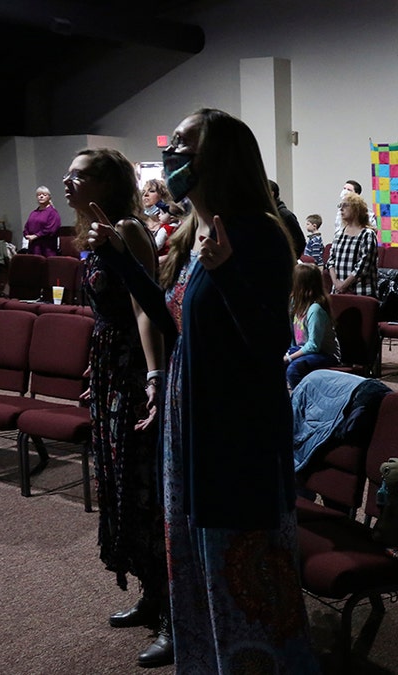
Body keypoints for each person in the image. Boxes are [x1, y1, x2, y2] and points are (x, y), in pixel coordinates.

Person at [88, 108, 318, 672]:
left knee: (241, 556)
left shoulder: (257, 233)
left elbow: (268, 343)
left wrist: (231, 272)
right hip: (194, 412)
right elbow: (175, 329)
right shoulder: (197, 233)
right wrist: (125, 266)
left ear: (220, 156)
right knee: (198, 552)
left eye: (187, 143)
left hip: (236, 424)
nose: (173, 153)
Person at [64, 148, 170, 668]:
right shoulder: (96, 232)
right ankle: (152, 593)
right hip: (109, 366)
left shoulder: (128, 229)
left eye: (78, 174)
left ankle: (174, 611)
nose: (66, 180)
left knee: (145, 485)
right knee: (121, 485)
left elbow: (144, 310)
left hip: (132, 368)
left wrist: (152, 376)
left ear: (104, 184)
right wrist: (93, 369)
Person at [285, 262, 341, 390]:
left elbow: (314, 346)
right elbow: (292, 338)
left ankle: (303, 399)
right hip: (304, 349)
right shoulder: (294, 304)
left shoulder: (315, 310)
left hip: (325, 354)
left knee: (293, 370)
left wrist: (289, 358)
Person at [327, 191, 379, 297]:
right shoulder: (339, 234)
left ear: (356, 209)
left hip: (361, 292)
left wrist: (344, 284)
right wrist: (336, 283)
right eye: (340, 206)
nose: (341, 209)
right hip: (338, 291)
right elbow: (331, 261)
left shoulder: (367, 234)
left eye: (345, 205)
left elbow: (363, 266)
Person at [270, 179, 306, 259]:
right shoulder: (270, 214)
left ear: (272, 194)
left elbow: (300, 241)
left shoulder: (285, 215)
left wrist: (289, 260)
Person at [23, 185, 61, 257]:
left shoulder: (53, 212)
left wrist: (36, 236)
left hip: (46, 249)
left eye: (44, 195)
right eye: (39, 195)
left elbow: (51, 229)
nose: (41, 196)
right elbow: (27, 226)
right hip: (33, 248)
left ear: (49, 197)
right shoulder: (33, 213)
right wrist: (27, 235)